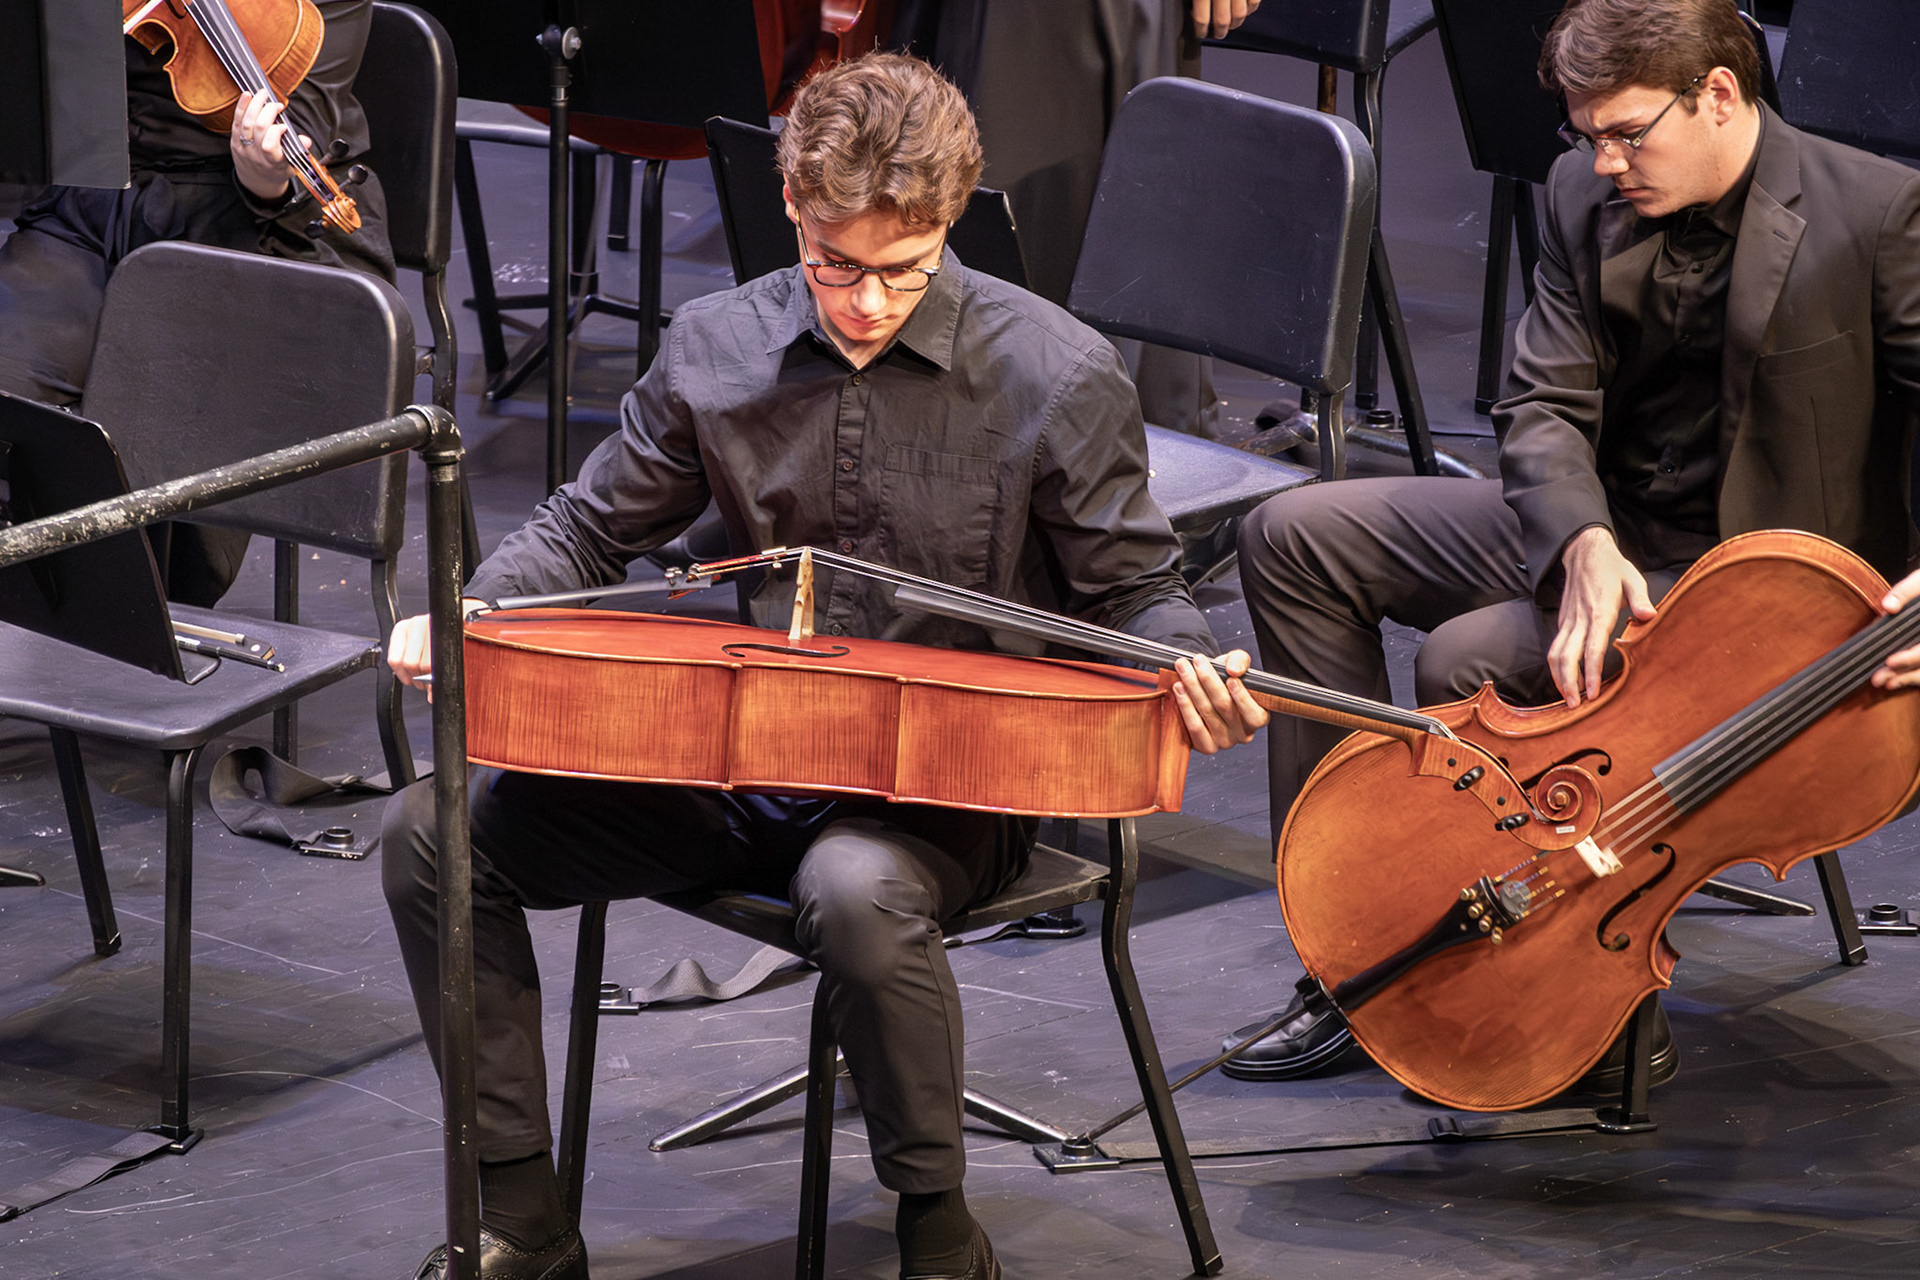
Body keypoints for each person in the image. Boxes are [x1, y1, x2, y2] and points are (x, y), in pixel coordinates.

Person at [381, 51, 1265, 1280]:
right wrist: (470, 610)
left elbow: (1136, 590)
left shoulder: (1052, 370)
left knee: (853, 889)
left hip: (941, 791)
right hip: (736, 761)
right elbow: (587, 531)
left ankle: (940, 1234)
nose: (862, 303)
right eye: (834, 265)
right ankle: (524, 1217)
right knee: (435, 836)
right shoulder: (716, 346)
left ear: (949, 223)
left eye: (901, 272)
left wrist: (1190, 672)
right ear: (794, 209)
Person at [1220, 0, 1920, 1084]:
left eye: (1626, 132)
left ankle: (1565, 990)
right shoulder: (1579, 193)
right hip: (1608, 534)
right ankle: (1349, 941)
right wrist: (1585, 540)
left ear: (1720, 94)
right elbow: (1541, 400)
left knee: (1474, 658)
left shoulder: (1877, 212)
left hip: (1750, 593)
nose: (1602, 161)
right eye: (1584, 134)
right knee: (1294, 534)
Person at [0, 0, 391, 604]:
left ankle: (131, 634)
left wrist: (263, 175)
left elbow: (302, 128)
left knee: (156, 441)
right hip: (90, 207)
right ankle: (40, 612)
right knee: (9, 388)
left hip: (243, 226)